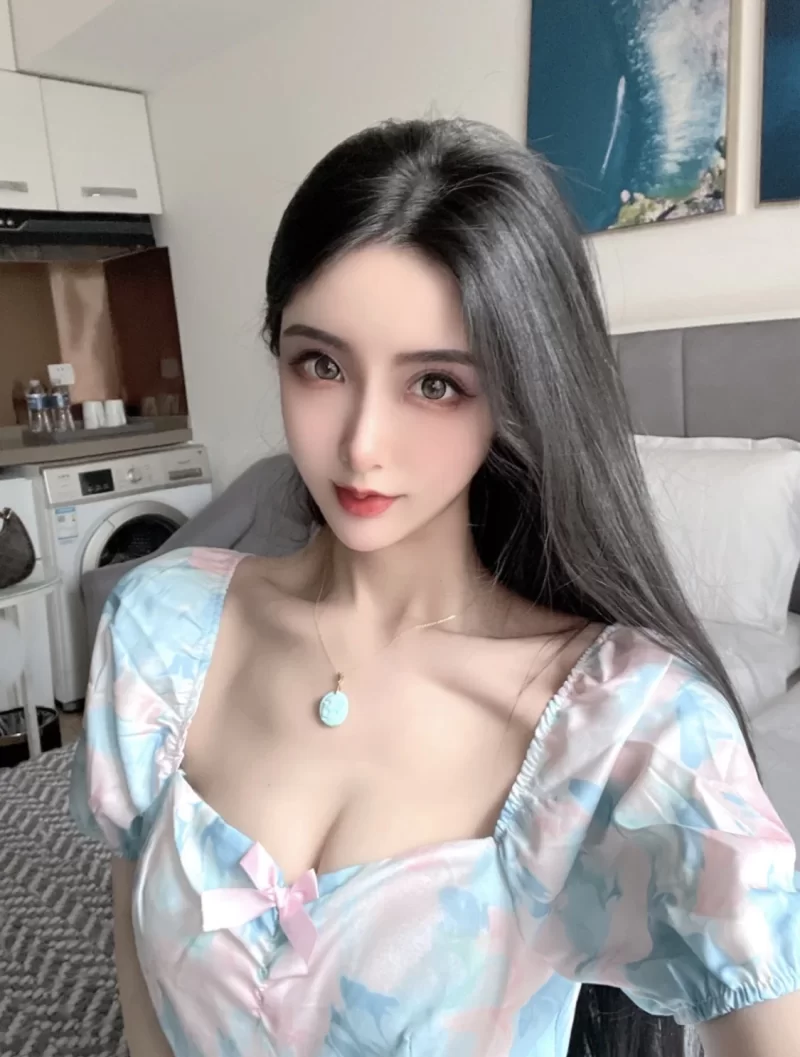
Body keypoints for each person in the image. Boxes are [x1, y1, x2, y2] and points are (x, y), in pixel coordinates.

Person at [70, 118, 800, 1057]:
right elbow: (138, 987)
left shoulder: (627, 731)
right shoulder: (158, 632)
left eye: (436, 385)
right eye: (321, 364)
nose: (361, 443)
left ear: (516, 393)